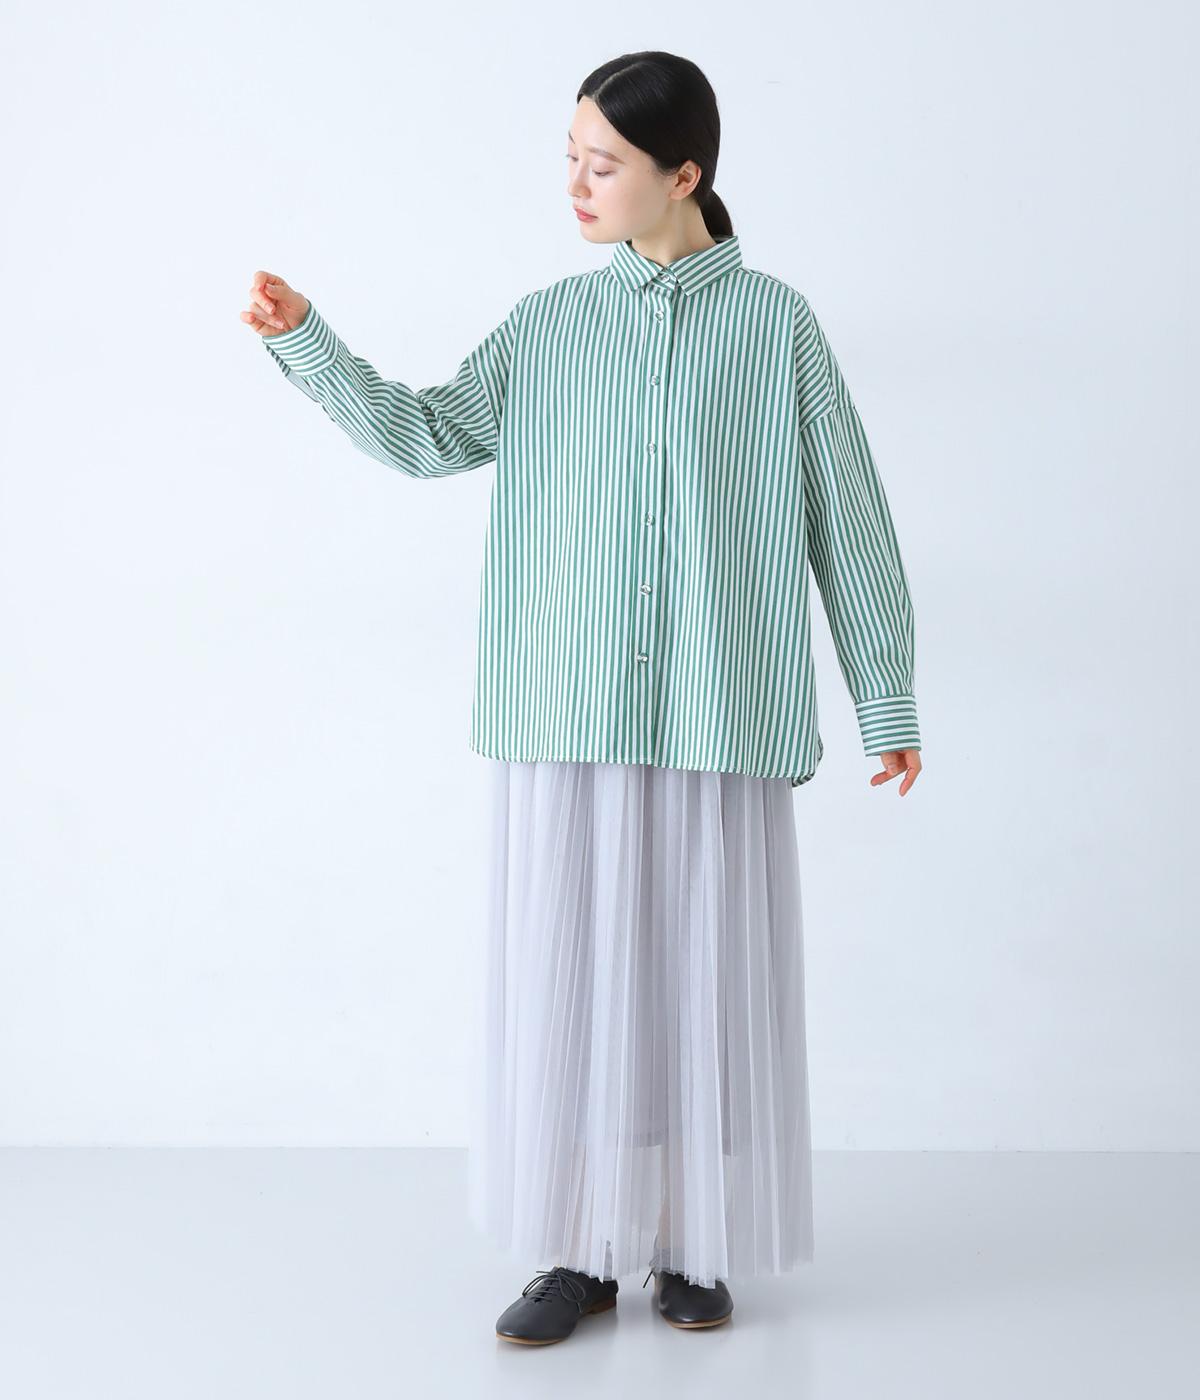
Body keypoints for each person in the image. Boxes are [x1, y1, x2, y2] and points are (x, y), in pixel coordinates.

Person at [242, 50, 923, 1346]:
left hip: (721, 714)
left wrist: (885, 701)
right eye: (569, 158)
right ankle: (576, 1249)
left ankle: (689, 1243)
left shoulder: (778, 329)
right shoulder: (547, 324)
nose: (575, 184)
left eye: (602, 164)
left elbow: (848, 518)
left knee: (699, 988)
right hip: (566, 719)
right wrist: (308, 346)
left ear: (685, 174)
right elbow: (429, 435)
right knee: (571, 990)